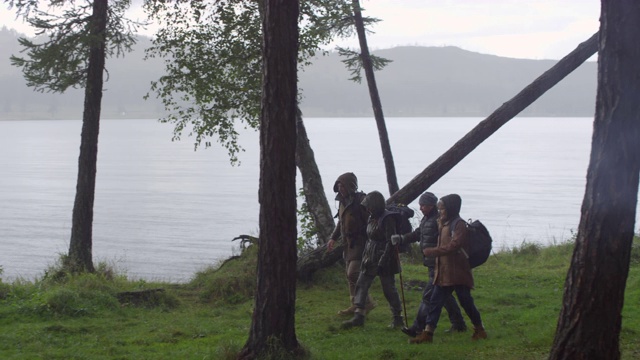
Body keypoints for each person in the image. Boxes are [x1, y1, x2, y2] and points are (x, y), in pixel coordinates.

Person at [409, 194, 487, 344]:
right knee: (435, 302)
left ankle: (480, 329)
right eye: (439, 208)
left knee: (466, 303)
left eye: (442, 208)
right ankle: (428, 334)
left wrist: (433, 251)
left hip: (458, 273)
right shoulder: (443, 222)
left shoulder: (459, 225)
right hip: (444, 272)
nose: (440, 211)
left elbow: (455, 245)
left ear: (451, 208)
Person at [390, 192, 467, 338]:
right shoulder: (427, 219)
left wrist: (435, 253)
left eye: (423, 205)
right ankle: (459, 324)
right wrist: (401, 238)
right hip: (433, 264)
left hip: (440, 264)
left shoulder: (439, 220)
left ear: (431, 205)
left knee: (429, 296)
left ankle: (417, 328)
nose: (420, 208)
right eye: (420, 205)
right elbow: (418, 234)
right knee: (445, 296)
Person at [341, 190, 404, 329]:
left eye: (369, 206)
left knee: (389, 289)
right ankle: (359, 316)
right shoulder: (371, 217)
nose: (368, 209)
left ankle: (397, 317)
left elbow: (390, 242)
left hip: (385, 258)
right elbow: (370, 238)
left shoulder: (388, 219)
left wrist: (383, 260)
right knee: (361, 285)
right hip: (369, 256)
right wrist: (366, 256)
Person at [327, 172, 375, 315]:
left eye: (343, 185)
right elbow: (340, 222)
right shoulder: (342, 201)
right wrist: (333, 238)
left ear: (350, 185)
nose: (341, 188)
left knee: (353, 273)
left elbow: (371, 222)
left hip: (361, 243)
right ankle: (355, 304)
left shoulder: (361, 200)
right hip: (347, 244)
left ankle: (366, 302)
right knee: (350, 276)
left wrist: (370, 242)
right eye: (339, 185)